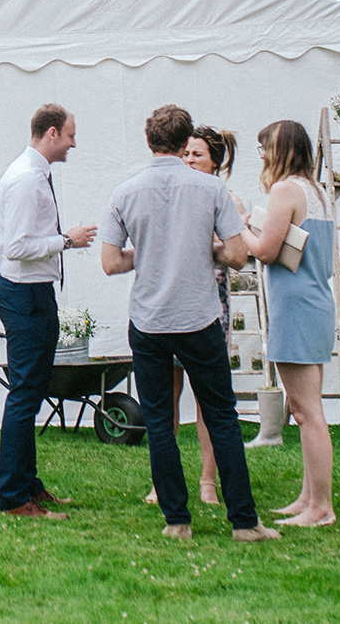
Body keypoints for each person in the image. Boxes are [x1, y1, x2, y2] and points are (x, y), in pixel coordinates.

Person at [102, 104, 277, 543]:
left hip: (149, 319)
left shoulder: (125, 192)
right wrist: (205, 250)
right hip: (198, 316)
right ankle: (244, 522)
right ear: (185, 144)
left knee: (160, 420)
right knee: (221, 416)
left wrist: (150, 255)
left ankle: (177, 520)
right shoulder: (210, 189)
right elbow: (238, 255)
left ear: (149, 142)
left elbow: (110, 263)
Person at [0, 104, 96, 519]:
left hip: (33, 292)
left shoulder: (34, 175)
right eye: (70, 135)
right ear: (51, 133)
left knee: (30, 393)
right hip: (23, 293)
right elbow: (16, 246)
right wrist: (64, 241)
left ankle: (29, 485)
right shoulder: (26, 181)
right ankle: (14, 497)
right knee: (24, 395)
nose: (73, 143)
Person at [243, 119, 337, 528]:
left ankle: (321, 508)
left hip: (296, 308)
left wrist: (238, 224)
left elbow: (264, 251)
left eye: (265, 147)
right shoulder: (316, 191)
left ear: (280, 149)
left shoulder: (284, 190)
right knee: (305, 407)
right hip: (315, 302)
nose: (261, 155)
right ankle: (307, 497)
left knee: (306, 411)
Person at [147, 126, 241, 507]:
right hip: (168, 305)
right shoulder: (170, 194)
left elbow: (236, 251)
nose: (188, 161)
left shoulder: (224, 197)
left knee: (209, 400)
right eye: (185, 154)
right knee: (166, 396)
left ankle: (207, 480)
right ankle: (163, 482)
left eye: (197, 156)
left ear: (215, 163)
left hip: (208, 303)